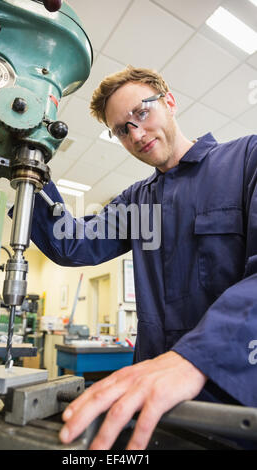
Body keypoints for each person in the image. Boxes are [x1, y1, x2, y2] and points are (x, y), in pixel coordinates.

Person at [28, 66, 257, 450]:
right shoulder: (138, 202)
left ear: (169, 102)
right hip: (154, 412)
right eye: (121, 129)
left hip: (234, 402)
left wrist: (197, 357)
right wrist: (31, 171)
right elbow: (70, 242)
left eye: (141, 113)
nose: (136, 134)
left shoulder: (245, 160)